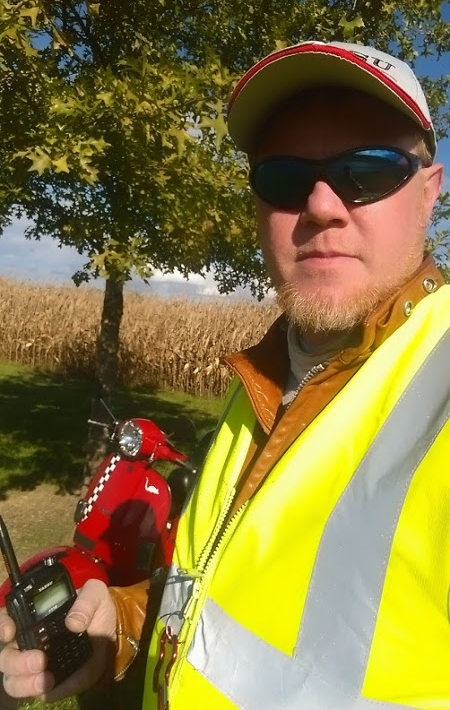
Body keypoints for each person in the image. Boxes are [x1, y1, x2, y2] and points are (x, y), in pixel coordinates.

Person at [1, 40, 449, 709]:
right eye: (285, 178)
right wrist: (120, 628)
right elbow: (211, 591)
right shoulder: (261, 384)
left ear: (429, 192)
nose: (322, 205)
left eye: (368, 170)